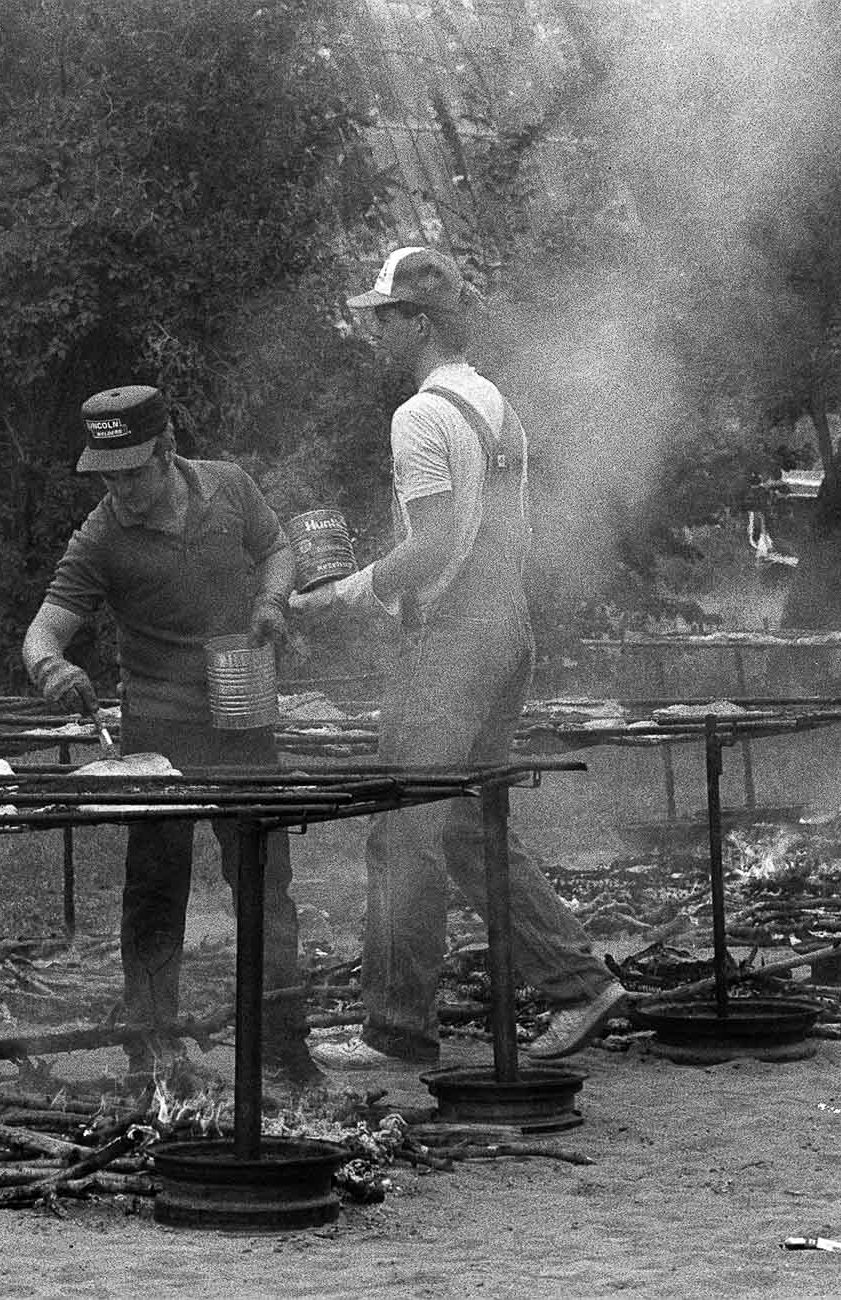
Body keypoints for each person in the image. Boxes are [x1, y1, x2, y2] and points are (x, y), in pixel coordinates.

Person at [290, 247, 628, 1071]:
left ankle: (397, 1029)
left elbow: (436, 539)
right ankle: (582, 987)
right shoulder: (494, 403)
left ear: (418, 321)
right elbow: (496, 531)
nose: (375, 330)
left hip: (452, 644)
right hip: (505, 626)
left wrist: (341, 594)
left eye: (384, 316)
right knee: (472, 828)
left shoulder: (418, 417)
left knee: (403, 828)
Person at [20, 385, 319, 1087]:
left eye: (132, 471)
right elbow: (43, 629)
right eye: (107, 474)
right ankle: (151, 1041)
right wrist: (50, 667)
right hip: (159, 730)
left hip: (245, 723)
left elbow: (276, 547)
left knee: (264, 886)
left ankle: (280, 1040)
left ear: (167, 449)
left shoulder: (230, 487)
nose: (119, 489)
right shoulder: (101, 537)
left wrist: (273, 601)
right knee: (156, 889)